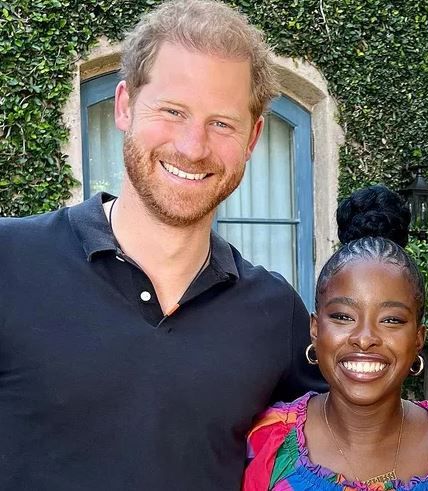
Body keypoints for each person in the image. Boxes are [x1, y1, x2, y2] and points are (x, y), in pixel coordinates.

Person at [0, 1, 324, 490]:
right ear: (125, 105)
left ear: (254, 136)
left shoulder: (276, 314)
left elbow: (352, 440)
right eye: (173, 111)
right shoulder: (10, 263)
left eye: (222, 123)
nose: (193, 147)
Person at [243, 185, 428, 490]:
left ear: (418, 338)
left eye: (391, 320)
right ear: (316, 329)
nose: (364, 338)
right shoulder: (267, 442)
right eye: (343, 317)